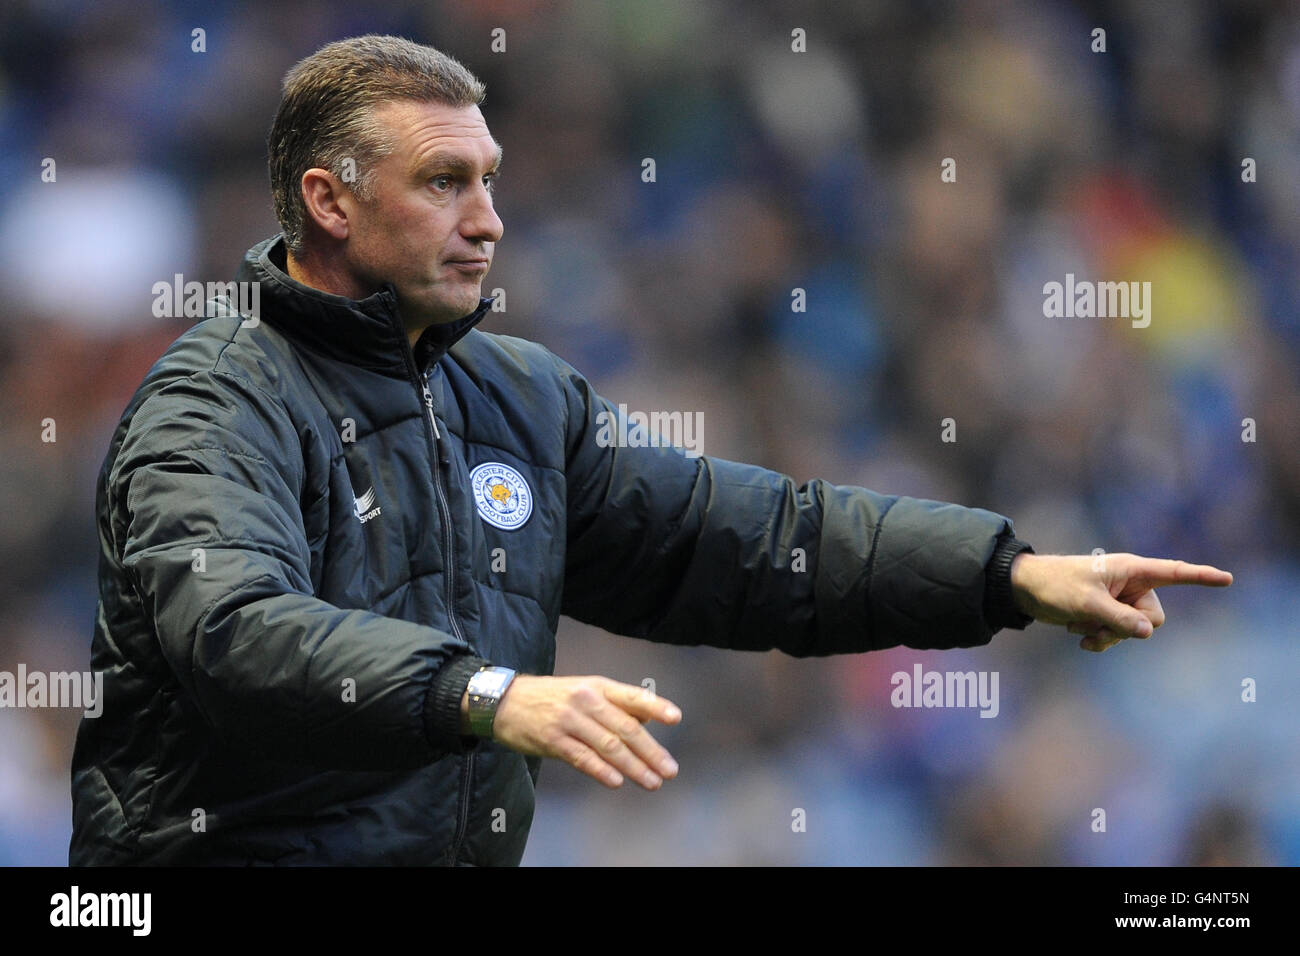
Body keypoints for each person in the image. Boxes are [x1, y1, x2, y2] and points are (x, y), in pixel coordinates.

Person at [69, 35, 1233, 866]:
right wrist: (485, 693)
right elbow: (231, 630)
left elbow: (758, 540)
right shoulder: (215, 397)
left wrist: (1006, 574)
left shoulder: (516, 398)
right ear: (327, 201)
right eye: (443, 183)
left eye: (489, 181)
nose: (488, 219)